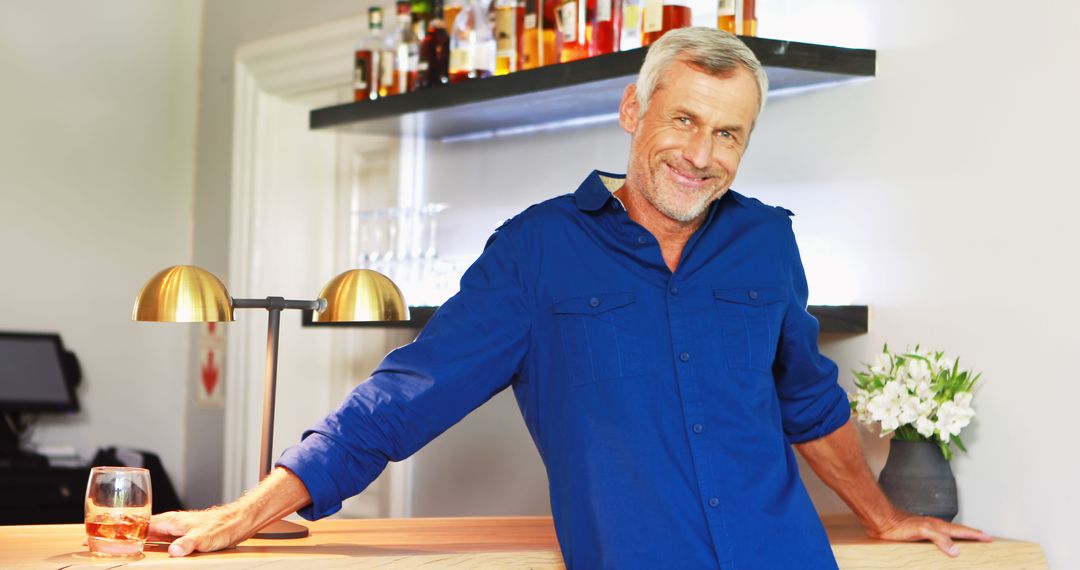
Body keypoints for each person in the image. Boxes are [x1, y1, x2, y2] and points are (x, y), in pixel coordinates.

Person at [150, 27, 991, 567]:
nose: (702, 154)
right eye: (685, 120)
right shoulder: (537, 252)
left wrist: (882, 517)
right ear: (633, 110)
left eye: (729, 132)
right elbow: (401, 398)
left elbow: (808, 402)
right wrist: (250, 508)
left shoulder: (767, 240)